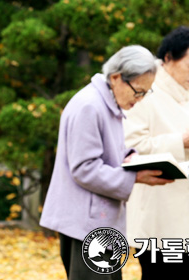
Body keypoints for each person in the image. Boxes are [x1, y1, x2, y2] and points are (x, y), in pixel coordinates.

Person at [40, 45, 173, 280]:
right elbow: (84, 168)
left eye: (145, 93)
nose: (140, 99)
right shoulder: (90, 106)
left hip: (99, 222)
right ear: (116, 78)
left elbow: (106, 152)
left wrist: (132, 158)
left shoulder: (107, 103)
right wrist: (135, 176)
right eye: (138, 91)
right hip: (84, 223)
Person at [123, 26, 189, 279]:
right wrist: (180, 141)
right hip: (159, 208)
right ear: (168, 58)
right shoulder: (142, 87)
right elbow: (130, 145)